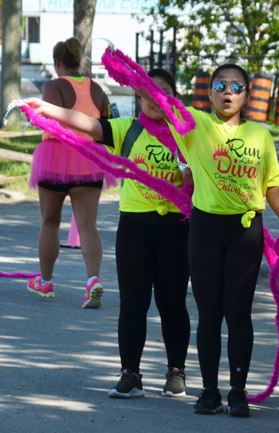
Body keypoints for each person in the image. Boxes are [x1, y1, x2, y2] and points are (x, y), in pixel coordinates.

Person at [24, 69, 191, 399]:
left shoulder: (189, 135)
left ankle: (176, 372)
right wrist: (47, 108)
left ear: (174, 97)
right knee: (133, 303)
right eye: (148, 91)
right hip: (135, 228)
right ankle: (131, 374)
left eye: (164, 91)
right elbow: (84, 121)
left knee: (172, 302)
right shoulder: (127, 129)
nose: (156, 97)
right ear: (139, 97)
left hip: (176, 229)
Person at [166, 64, 279, 417]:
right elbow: (162, 102)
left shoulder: (260, 135)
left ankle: (238, 392)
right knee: (209, 313)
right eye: (220, 85)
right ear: (209, 92)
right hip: (205, 228)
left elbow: (271, 186)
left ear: (247, 95)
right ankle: (209, 392)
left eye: (236, 86)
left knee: (238, 314)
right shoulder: (194, 126)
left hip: (245, 232)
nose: (228, 92)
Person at [27, 37, 111, 308]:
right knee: (88, 225)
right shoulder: (97, 89)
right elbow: (106, 127)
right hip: (89, 159)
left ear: (58, 62)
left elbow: (51, 122)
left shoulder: (53, 85)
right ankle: (92, 281)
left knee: (50, 221)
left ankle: (46, 282)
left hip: (55, 158)